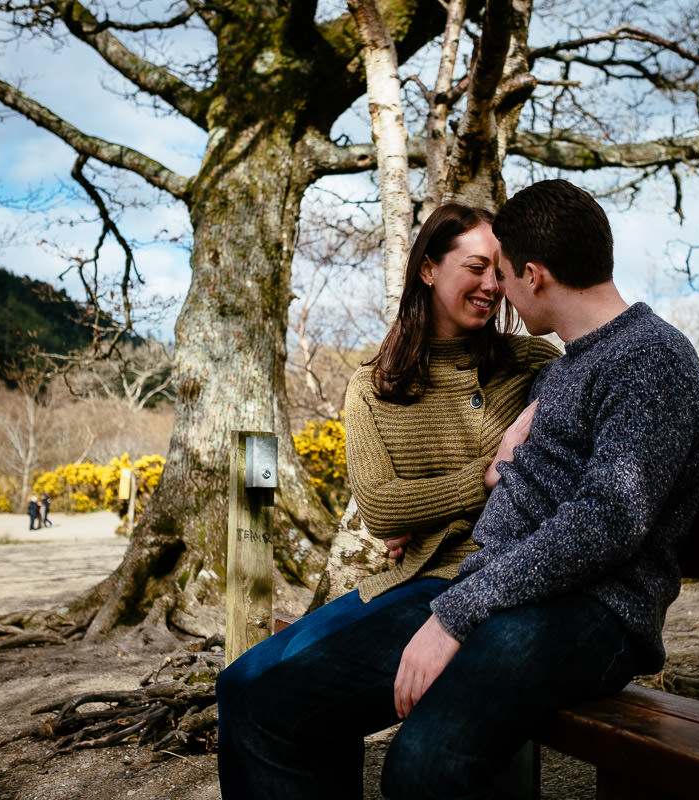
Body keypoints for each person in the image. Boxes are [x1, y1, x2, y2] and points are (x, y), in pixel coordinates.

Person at [218, 180, 699, 799]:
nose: (496, 288)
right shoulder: (565, 370)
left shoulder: (645, 357)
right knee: (265, 708)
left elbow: (606, 519)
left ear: (532, 275)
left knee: (424, 765)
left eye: (501, 271)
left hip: (593, 610)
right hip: (498, 589)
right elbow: (436, 500)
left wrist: (456, 611)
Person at [216, 202, 560, 796]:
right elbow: (381, 507)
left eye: (499, 272)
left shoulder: (531, 365)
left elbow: (596, 393)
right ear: (428, 269)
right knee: (237, 683)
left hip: (478, 585)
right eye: (476, 267)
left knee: (269, 707)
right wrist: (481, 478)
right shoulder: (373, 386)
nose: (491, 286)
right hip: (408, 582)